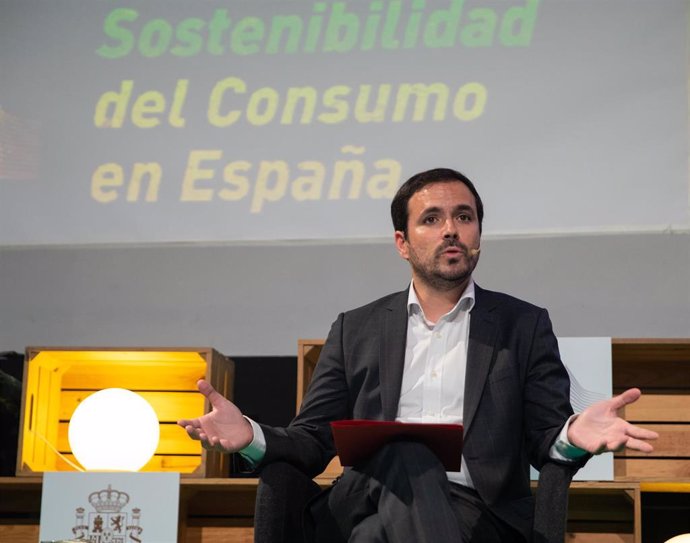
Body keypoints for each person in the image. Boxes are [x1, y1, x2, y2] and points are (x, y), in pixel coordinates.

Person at [179, 168, 657, 542]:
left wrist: (573, 433)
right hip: (359, 499)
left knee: (377, 528)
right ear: (402, 243)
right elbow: (312, 440)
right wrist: (252, 437)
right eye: (432, 219)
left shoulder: (522, 325)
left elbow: (543, 437)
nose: (451, 229)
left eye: (464, 217)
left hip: (475, 512)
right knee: (403, 457)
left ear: (478, 235)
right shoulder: (357, 328)